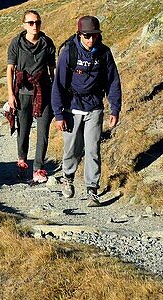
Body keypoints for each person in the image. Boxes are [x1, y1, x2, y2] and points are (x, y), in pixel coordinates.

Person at [51, 14, 122, 206]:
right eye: (86, 36)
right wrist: (58, 114)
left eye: (94, 36)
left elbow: (113, 82)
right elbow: (58, 86)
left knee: (92, 149)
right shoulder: (69, 52)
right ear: (79, 34)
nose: (91, 39)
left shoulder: (104, 53)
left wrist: (114, 109)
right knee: (72, 148)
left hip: (95, 107)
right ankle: (68, 177)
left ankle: (92, 190)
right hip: (72, 107)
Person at [6, 8, 56, 182]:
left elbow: (52, 69)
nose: (35, 25)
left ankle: (39, 169)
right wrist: (11, 95)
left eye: (38, 22)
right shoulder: (16, 43)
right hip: (23, 93)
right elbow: (10, 70)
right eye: (31, 23)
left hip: (44, 92)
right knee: (23, 130)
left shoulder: (47, 43)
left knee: (43, 132)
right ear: (24, 25)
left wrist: (56, 91)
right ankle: (22, 160)